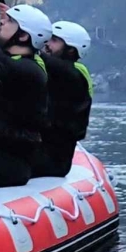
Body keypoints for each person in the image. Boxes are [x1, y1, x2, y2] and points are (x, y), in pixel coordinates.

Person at [0, 1, 53, 187]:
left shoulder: (31, 70)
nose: (1, 22)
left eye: (8, 21)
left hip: (9, 165)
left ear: (22, 36)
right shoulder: (13, 60)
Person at [38, 20, 94, 176]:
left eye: (54, 40)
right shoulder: (56, 71)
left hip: (53, 161)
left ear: (70, 51)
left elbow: (41, 56)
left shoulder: (73, 75)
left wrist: (25, 32)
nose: (47, 43)